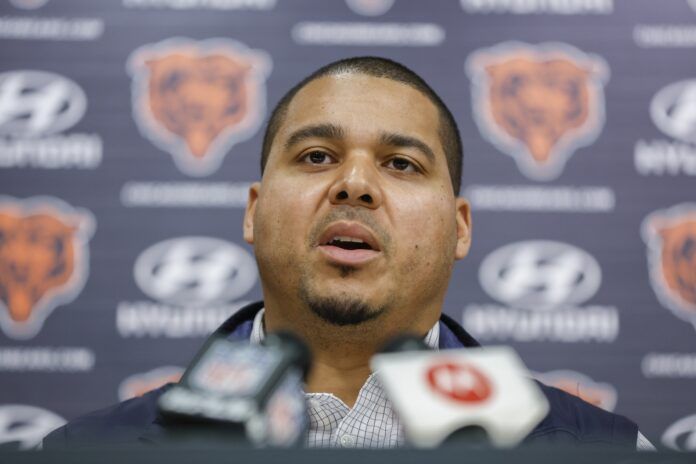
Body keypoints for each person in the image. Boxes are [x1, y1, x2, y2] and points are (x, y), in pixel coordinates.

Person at [43, 56, 652, 450]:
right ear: (253, 211)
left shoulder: (607, 450)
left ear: (460, 228)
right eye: (315, 157)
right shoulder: (84, 452)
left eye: (401, 164)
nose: (354, 184)